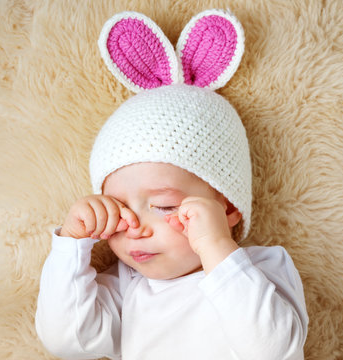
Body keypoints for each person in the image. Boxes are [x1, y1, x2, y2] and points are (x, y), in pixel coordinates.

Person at [36, 9, 308, 360]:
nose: (134, 228)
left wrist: (215, 248)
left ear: (226, 208)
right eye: (117, 210)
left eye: (164, 206)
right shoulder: (127, 288)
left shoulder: (260, 270)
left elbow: (273, 351)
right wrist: (73, 246)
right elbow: (67, 342)